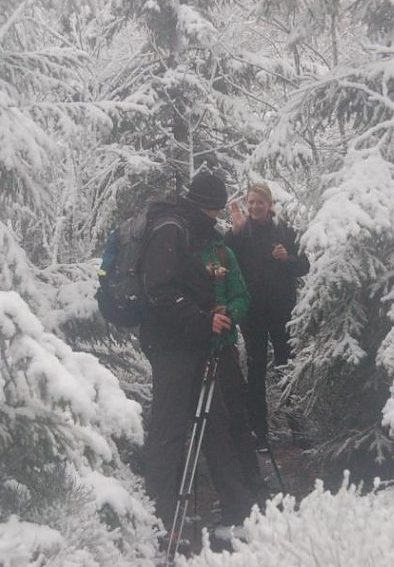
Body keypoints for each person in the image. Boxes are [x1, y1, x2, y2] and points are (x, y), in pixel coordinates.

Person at [139, 172, 255, 536]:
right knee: (169, 431)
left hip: (192, 346)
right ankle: (160, 522)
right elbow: (160, 291)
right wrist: (203, 321)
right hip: (174, 348)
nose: (216, 218)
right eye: (215, 210)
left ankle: (237, 514)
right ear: (205, 206)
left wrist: (208, 321)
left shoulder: (185, 227)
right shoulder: (172, 228)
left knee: (216, 426)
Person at [226, 182, 310, 451]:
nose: (254, 207)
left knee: (286, 369)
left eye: (259, 202)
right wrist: (234, 231)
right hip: (252, 315)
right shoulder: (239, 234)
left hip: (282, 312)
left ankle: (296, 427)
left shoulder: (285, 231)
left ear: (269, 204)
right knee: (257, 372)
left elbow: (304, 265)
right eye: (250, 202)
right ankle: (259, 433)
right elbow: (223, 259)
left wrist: (287, 259)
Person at [201, 233, 268, 504]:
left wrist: (230, 311)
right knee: (211, 425)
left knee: (238, 418)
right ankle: (230, 493)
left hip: (225, 348)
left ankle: (254, 483)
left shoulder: (224, 254)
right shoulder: (184, 252)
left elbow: (242, 296)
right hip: (195, 352)